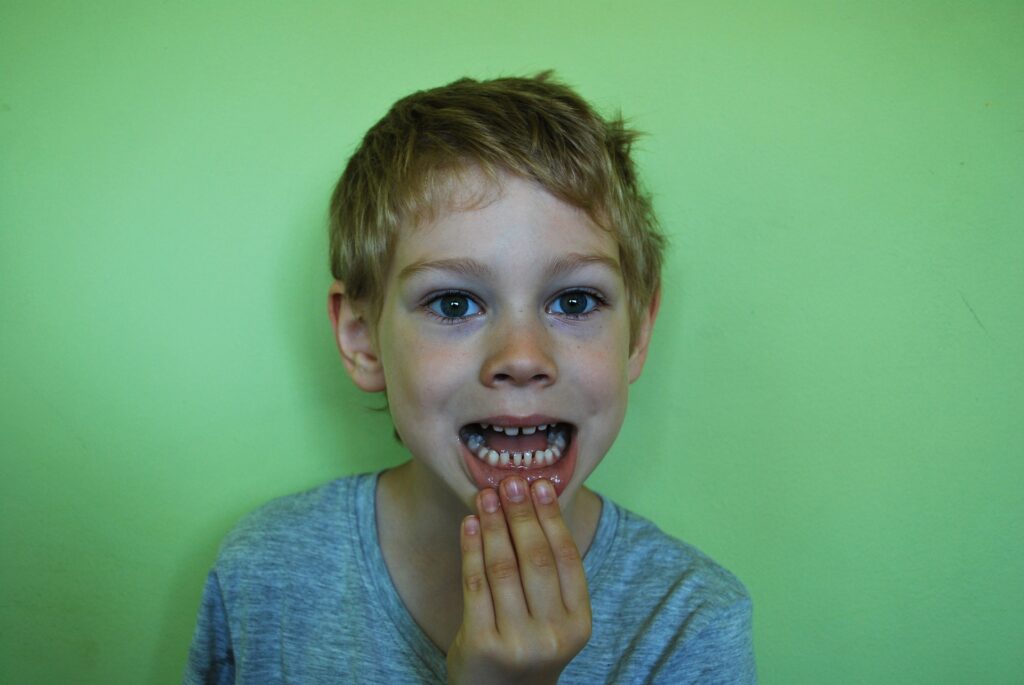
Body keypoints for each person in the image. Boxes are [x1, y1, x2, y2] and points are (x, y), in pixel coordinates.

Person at [183, 72, 756, 684]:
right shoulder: (265, 574)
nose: (521, 356)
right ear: (362, 339)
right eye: (454, 304)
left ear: (637, 334)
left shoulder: (692, 623)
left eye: (575, 301)